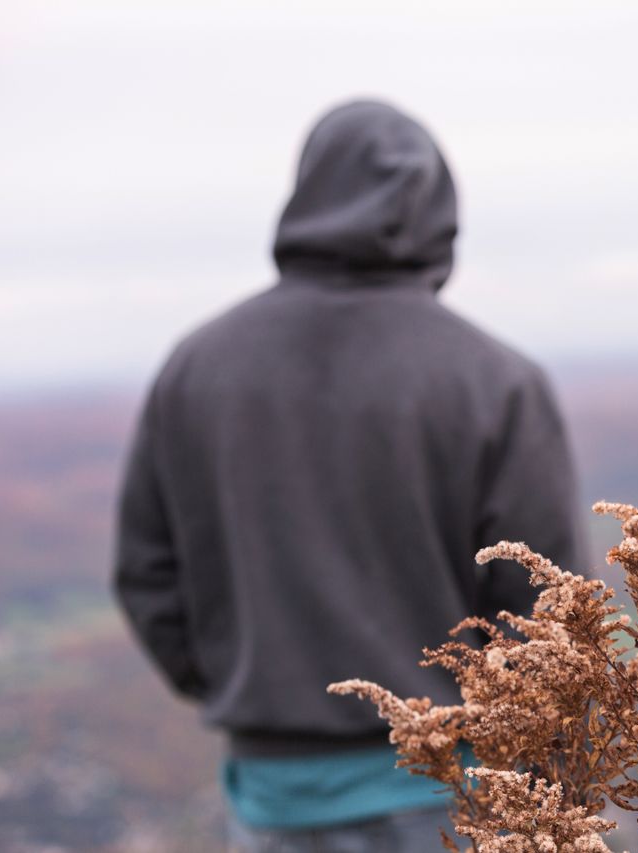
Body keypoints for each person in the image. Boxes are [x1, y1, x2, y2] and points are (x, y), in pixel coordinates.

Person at [112, 99, 586, 850]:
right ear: (441, 221)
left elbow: (147, 574)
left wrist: (245, 683)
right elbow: (547, 615)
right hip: (447, 798)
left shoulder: (197, 367)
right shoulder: (493, 381)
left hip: (270, 798)